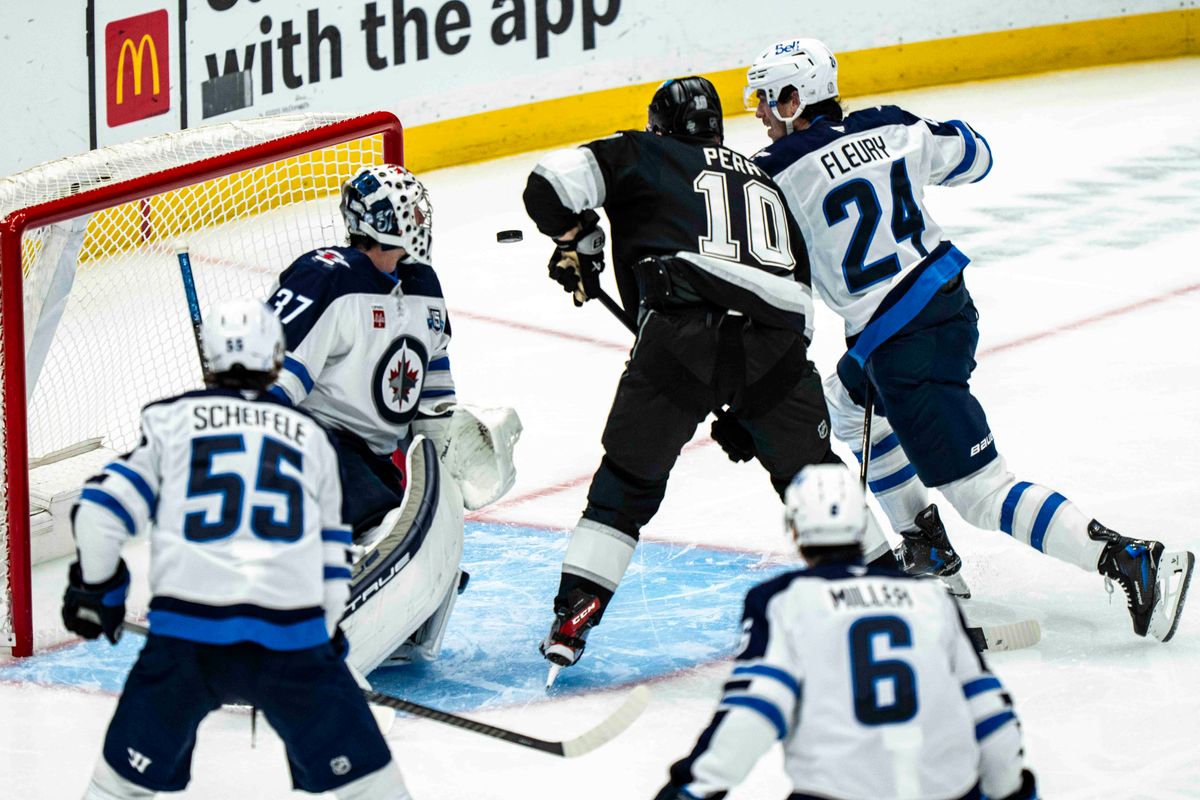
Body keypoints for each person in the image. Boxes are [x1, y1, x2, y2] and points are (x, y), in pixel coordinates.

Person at [743, 37, 1193, 641]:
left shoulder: (772, 173)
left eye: (766, 100)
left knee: (982, 493)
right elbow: (976, 155)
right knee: (846, 407)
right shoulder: (891, 127)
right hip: (944, 306)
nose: (760, 113)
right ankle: (927, 547)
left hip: (901, 344)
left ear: (794, 99)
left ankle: (1132, 560)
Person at [522, 75, 896, 685]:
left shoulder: (643, 150)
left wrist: (579, 241)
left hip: (679, 333)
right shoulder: (763, 179)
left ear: (659, 125)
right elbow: (796, 299)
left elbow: (548, 185)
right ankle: (891, 593)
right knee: (816, 477)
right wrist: (754, 403)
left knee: (627, 480)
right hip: (777, 344)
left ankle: (575, 613)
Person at [62, 300, 412, 799]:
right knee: (374, 789)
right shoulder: (315, 440)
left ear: (210, 357)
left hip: (186, 642)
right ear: (276, 357)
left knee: (117, 787)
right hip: (290, 642)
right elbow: (333, 567)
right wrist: (321, 642)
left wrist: (98, 592)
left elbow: (98, 512)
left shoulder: (171, 422)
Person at [265, 164, 521, 672]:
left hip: (378, 459)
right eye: (412, 212)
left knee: (408, 519)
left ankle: (383, 606)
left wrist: (446, 450)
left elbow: (434, 390)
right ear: (383, 221)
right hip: (317, 447)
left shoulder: (423, 284)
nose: (422, 220)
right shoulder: (327, 277)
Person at [654, 464, 1038, 800]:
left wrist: (690, 789)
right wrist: (1010, 791)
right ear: (861, 526)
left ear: (794, 529)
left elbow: (754, 711)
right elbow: (989, 711)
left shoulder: (783, 601)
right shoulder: (931, 599)